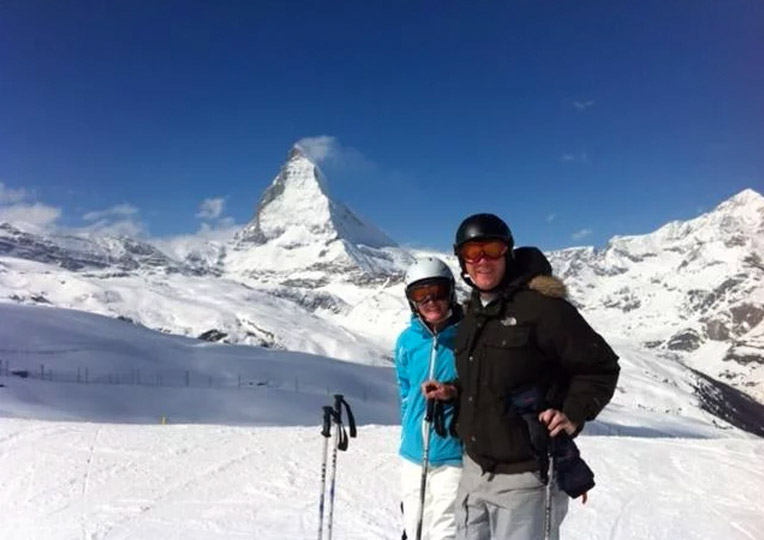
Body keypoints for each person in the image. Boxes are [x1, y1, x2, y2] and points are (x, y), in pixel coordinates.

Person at [422, 214, 620, 540]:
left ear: (508, 252)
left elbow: (599, 368)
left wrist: (572, 411)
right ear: (461, 260)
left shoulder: (544, 309)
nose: (482, 260)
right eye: (472, 252)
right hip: (473, 470)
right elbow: (488, 377)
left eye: (492, 248)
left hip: (526, 479)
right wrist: (453, 390)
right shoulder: (473, 313)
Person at [395, 256, 464, 540]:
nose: (431, 301)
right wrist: (409, 431)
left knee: (446, 528)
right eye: (420, 295)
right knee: (414, 524)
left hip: (453, 450)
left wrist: (453, 392)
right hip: (414, 450)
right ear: (412, 301)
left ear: (451, 293)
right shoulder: (406, 341)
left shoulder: (468, 335)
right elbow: (404, 391)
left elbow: (484, 386)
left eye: (437, 292)